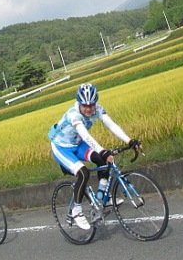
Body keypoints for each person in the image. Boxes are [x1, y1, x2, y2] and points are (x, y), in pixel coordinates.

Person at [48, 83, 140, 230]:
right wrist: (103, 150)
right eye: (85, 105)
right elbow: (85, 134)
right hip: (62, 147)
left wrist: (129, 140)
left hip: (77, 144)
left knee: (101, 160)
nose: (89, 108)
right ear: (79, 103)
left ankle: (103, 196)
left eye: (92, 104)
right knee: (83, 173)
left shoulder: (98, 109)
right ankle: (77, 210)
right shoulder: (74, 115)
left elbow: (112, 125)